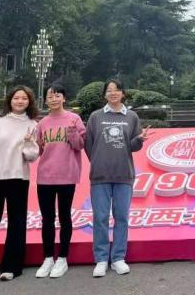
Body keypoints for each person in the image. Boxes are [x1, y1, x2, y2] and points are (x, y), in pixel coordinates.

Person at [0, 86, 40, 281]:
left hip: (18, 178)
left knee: (16, 223)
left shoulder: (32, 125)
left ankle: (11, 267)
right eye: (16, 98)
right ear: (10, 100)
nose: (20, 101)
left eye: (24, 98)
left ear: (29, 102)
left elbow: (32, 156)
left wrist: (28, 143)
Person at [84, 79, 149, 277]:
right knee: (100, 218)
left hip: (124, 174)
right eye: (109, 90)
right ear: (104, 94)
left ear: (123, 93)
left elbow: (133, 146)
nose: (113, 93)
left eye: (117, 90)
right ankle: (101, 259)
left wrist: (139, 140)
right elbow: (89, 144)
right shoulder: (96, 116)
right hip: (100, 175)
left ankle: (118, 258)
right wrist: (99, 160)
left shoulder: (131, 116)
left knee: (121, 217)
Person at [34, 84, 86, 279]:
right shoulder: (42, 123)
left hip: (66, 175)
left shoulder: (74, 119)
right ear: (45, 100)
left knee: (64, 217)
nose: (54, 99)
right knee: (47, 218)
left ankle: (62, 258)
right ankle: (48, 258)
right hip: (45, 176)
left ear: (64, 98)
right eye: (50, 96)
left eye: (57, 95)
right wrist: (31, 144)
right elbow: (38, 151)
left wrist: (72, 133)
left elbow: (80, 145)